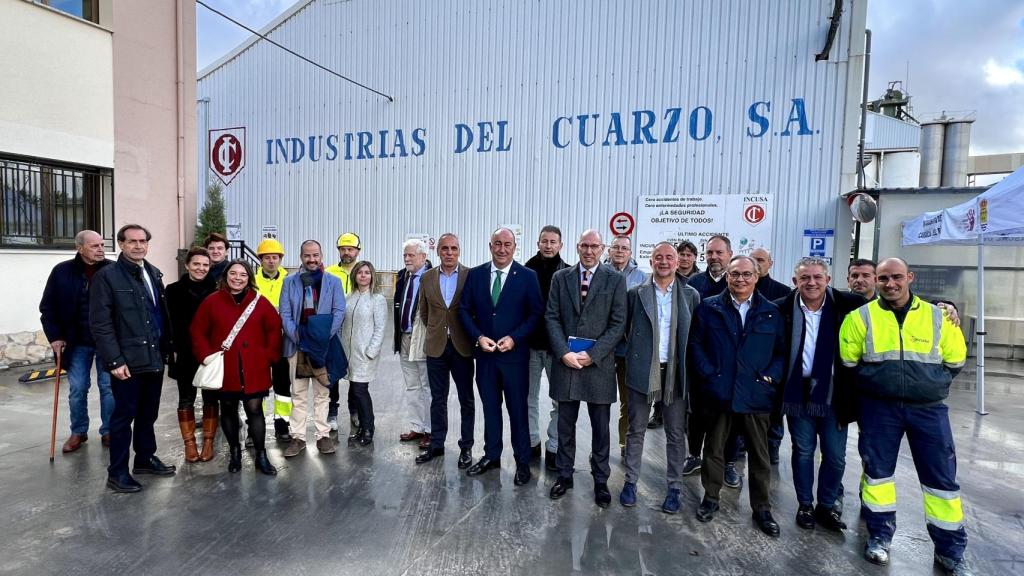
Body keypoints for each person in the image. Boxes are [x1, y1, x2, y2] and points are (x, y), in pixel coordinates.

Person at [839, 258, 972, 575]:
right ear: (877, 280)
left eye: (896, 277)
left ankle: (950, 551)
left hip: (927, 409)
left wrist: (930, 385)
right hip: (879, 408)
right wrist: (876, 386)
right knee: (878, 475)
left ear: (910, 277)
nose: (890, 283)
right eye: (883, 278)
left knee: (941, 481)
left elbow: (955, 359)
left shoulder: (938, 316)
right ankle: (879, 538)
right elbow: (848, 360)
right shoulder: (860, 317)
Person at [690, 255, 785, 537]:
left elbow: (781, 352)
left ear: (756, 277)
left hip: (756, 395)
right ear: (727, 277)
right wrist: (710, 375)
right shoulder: (710, 307)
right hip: (721, 393)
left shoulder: (770, 311)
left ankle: (762, 508)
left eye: (746, 274)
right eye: (734, 274)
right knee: (714, 450)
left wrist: (769, 378)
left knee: (759, 456)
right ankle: (711, 498)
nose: (740, 279)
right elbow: (696, 346)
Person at [773, 257, 865, 531]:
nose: (811, 283)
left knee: (835, 456)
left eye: (816, 277)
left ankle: (826, 505)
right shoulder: (782, 309)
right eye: (804, 278)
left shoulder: (850, 305)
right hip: (796, 393)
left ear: (827, 279)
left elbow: (891, 304)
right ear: (795, 282)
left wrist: (947, 307)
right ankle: (805, 505)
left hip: (834, 394)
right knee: (803, 451)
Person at [90, 224, 176, 493]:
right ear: (121, 244)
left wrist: (167, 348)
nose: (138, 245)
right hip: (127, 361)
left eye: (143, 241)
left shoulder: (152, 272)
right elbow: (101, 324)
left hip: (153, 357)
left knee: (148, 414)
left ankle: (144, 459)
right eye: (132, 241)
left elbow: (159, 314)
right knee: (122, 417)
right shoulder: (107, 277)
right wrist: (114, 361)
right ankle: (116, 472)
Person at [546, 230, 627, 507]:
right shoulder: (561, 278)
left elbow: (618, 324)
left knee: (600, 429)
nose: (589, 251)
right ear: (577, 247)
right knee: (565, 425)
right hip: (566, 363)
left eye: (594, 246)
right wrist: (564, 352)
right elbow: (552, 317)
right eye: (584, 245)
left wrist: (592, 355)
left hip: (598, 366)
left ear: (602, 248)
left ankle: (601, 480)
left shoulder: (615, 280)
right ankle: (564, 475)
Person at [458, 227, 543, 483]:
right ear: (490, 245)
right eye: (497, 243)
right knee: (490, 409)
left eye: (507, 244)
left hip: (514, 359)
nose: (502, 249)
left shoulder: (528, 276)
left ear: (515, 247)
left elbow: (535, 314)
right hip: (485, 358)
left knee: (518, 412)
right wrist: (478, 337)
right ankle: (491, 456)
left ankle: (522, 462)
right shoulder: (475, 275)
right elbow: (464, 310)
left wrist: (515, 338)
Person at [620, 242, 700, 513]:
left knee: (676, 434)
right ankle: (630, 482)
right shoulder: (635, 293)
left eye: (669, 257)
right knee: (636, 430)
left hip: (676, 373)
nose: (664, 262)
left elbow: (695, 336)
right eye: (658, 257)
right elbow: (625, 330)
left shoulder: (690, 295)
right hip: (643, 371)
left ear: (678, 263)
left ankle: (674, 488)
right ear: (651, 261)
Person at [191, 260, 282, 475]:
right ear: (226, 276)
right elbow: (198, 331)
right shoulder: (212, 301)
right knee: (229, 410)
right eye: (233, 274)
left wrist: (268, 356)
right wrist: (205, 356)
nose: (238, 278)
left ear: (249, 277)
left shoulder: (260, 302)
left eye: (243, 274)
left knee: (255, 410)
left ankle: (261, 455)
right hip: (226, 367)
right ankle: (235, 452)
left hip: (255, 367)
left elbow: (274, 329)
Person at [39, 229, 114, 454]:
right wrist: (55, 337)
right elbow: (48, 307)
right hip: (76, 341)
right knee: (78, 388)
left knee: (108, 387)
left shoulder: (113, 270)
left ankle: (109, 430)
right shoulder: (61, 272)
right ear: (79, 248)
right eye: (95, 246)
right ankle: (79, 431)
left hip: (107, 341)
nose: (101, 249)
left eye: (102, 245)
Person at [280, 240, 347, 457]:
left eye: (315, 255)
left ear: (321, 255)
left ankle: (322, 436)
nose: (312, 259)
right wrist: (299, 336)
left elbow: (339, 312)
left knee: (322, 393)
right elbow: (285, 314)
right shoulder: (289, 282)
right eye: (307, 255)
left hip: (323, 346)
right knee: (297, 394)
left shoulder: (333, 282)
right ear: (301, 257)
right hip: (297, 345)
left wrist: (319, 338)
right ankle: (297, 437)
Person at [415, 234, 476, 467]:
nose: (449, 253)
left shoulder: (470, 276)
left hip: (462, 347)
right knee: (437, 399)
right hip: (436, 347)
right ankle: (437, 444)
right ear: (438, 252)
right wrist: (438, 329)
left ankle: (466, 447)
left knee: (466, 399)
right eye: (444, 249)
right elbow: (424, 311)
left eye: (453, 248)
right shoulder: (427, 278)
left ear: (459, 251)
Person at [678, 234, 732, 478]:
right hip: (699, 361)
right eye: (710, 253)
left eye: (719, 252)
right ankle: (694, 455)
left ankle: (728, 463)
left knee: (731, 417)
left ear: (729, 254)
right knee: (696, 414)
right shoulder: (694, 283)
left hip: (730, 363)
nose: (714, 257)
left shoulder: (737, 282)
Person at [165, 246, 218, 463]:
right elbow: (168, 324)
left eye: (205, 265)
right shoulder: (173, 290)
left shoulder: (217, 289)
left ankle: (208, 442)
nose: (201, 268)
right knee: (186, 398)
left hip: (211, 354)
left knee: (210, 398)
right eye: (196, 264)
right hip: (184, 352)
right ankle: (189, 444)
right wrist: (171, 351)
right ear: (187, 265)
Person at [524, 225, 570, 471]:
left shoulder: (568, 271)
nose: (549, 245)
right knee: (528, 398)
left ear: (560, 245)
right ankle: (532, 443)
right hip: (530, 347)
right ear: (538, 243)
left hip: (557, 348)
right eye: (545, 241)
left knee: (559, 401)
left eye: (553, 242)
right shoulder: (525, 269)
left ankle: (554, 448)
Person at [605, 234, 647, 455]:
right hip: (602, 349)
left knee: (628, 401)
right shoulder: (599, 274)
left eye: (624, 248)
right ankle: (600, 447)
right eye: (616, 247)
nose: (620, 251)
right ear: (609, 251)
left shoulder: (642, 278)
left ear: (631, 252)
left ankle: (626, 444)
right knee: (600, 402)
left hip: (626, 350)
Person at [340, 261, 387, 446]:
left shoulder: (377, 299)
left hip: (365, 354)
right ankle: (360, 428)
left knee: (360, 390)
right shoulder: (348, 297)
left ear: (372, 276)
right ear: (355, 276)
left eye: (367, 272)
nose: (363, 275)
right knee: (354, 391)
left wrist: (371, 351)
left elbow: (381, 328)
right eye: (360, 272)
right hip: (349, 354)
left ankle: (368, 428)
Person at [394, 238, 432, 448]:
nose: (407, 259)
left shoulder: (431, 277)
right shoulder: (402, 276)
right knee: (412, 386)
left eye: (411, 255)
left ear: (423, 257)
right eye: (405, 255)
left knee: (427, 387)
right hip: (404, 338)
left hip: (423, 339)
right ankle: (417, 426)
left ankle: (430, 429)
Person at [254, 238, 293, 442]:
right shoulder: (251, 281)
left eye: (275, 257)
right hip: (257, 343)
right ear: (260, 259)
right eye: (267, 257)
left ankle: (282, 426)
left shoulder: (289, 280)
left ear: (280, 259)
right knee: (257, 387)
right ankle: (255, 427)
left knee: (282, 387)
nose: (271, 261)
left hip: (281, 342)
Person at [326, 232, 361, 432]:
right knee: (334, 372)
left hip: (356, 328)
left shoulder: (363, 270)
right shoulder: (329, 272)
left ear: (357, 251)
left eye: (350, 249)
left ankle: (355, 411)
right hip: (335, 327)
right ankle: (332, 413)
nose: (346, 252)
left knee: (356, 372)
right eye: (343, 249)